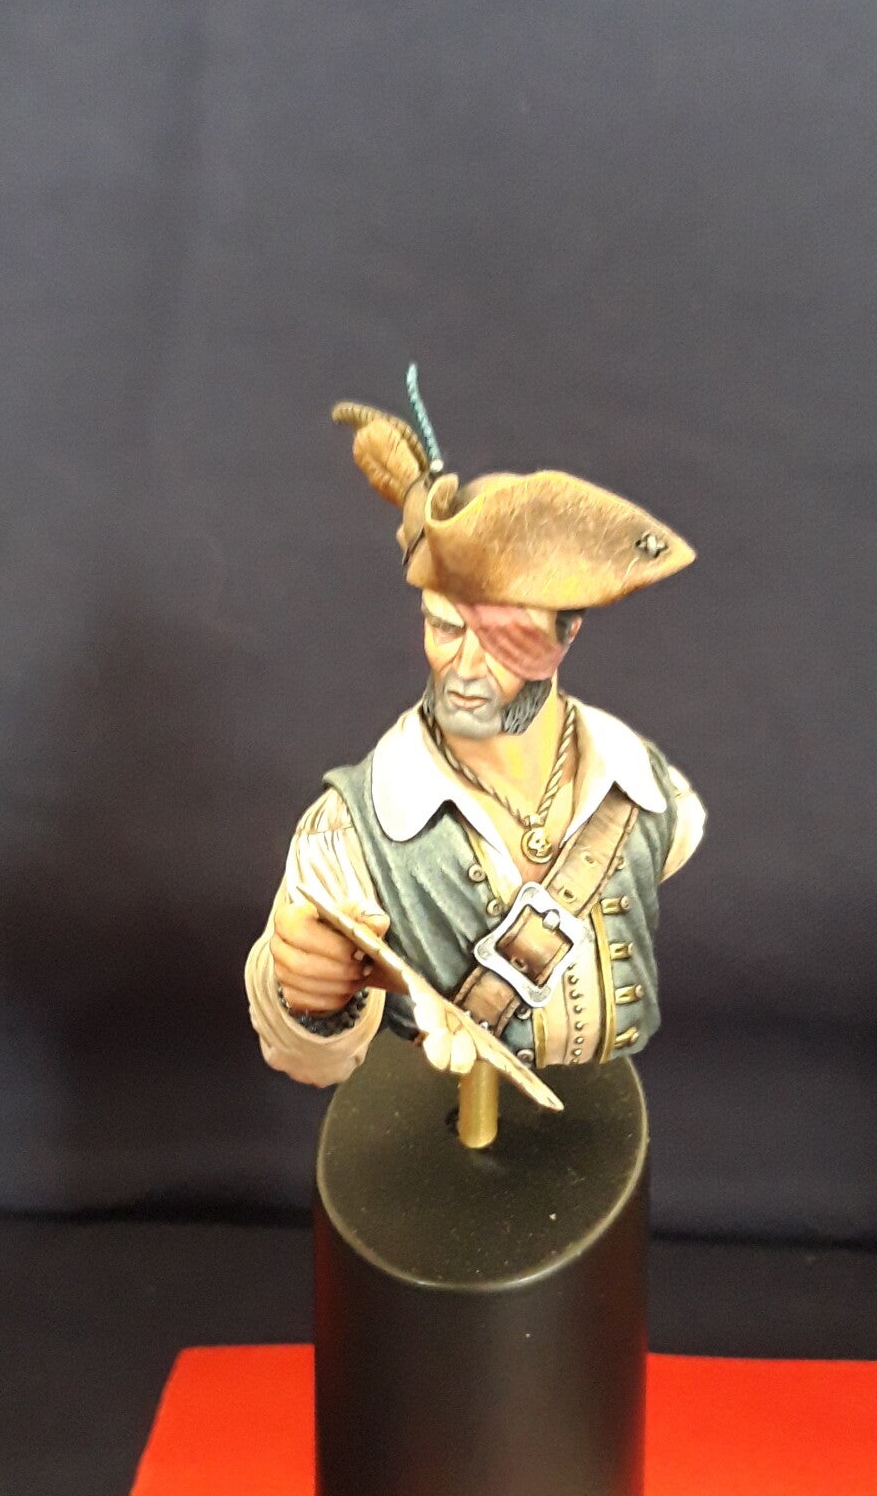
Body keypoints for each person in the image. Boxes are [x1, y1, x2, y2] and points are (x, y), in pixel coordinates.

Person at [246, 377, 703, 1085]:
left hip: (597, 1128)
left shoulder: (650, 792)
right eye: (443, 627)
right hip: (431, 1122)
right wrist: (306, 993)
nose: (463, 667)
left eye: (501, 642)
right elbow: (309, 1059)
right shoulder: (347, 832)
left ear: (567, 634)